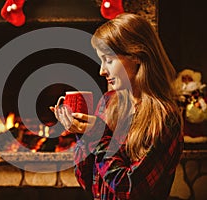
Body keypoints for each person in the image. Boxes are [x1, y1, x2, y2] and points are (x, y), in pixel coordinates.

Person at [50, 13, 184, 199]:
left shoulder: (164, 118)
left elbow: (128, 188)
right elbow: (88, 182)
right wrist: (83, 134)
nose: (102, 71)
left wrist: (98, 135)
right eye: (101, 60)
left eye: (109, 60)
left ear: (137, 55)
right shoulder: (108, 103)